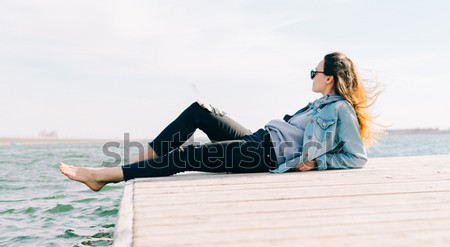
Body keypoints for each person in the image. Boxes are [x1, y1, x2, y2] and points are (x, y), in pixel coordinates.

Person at [60, 52, 378, 191]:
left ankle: (104, 175)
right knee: (201, 109)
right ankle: (141, 163)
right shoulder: (322, 102)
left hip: (265, 155)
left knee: (187, 156)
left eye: (315, 73)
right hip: (260, 139)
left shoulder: (340, 110)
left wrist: (316, 164)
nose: (311, 77)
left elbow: (356, 156)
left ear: (330, 79)